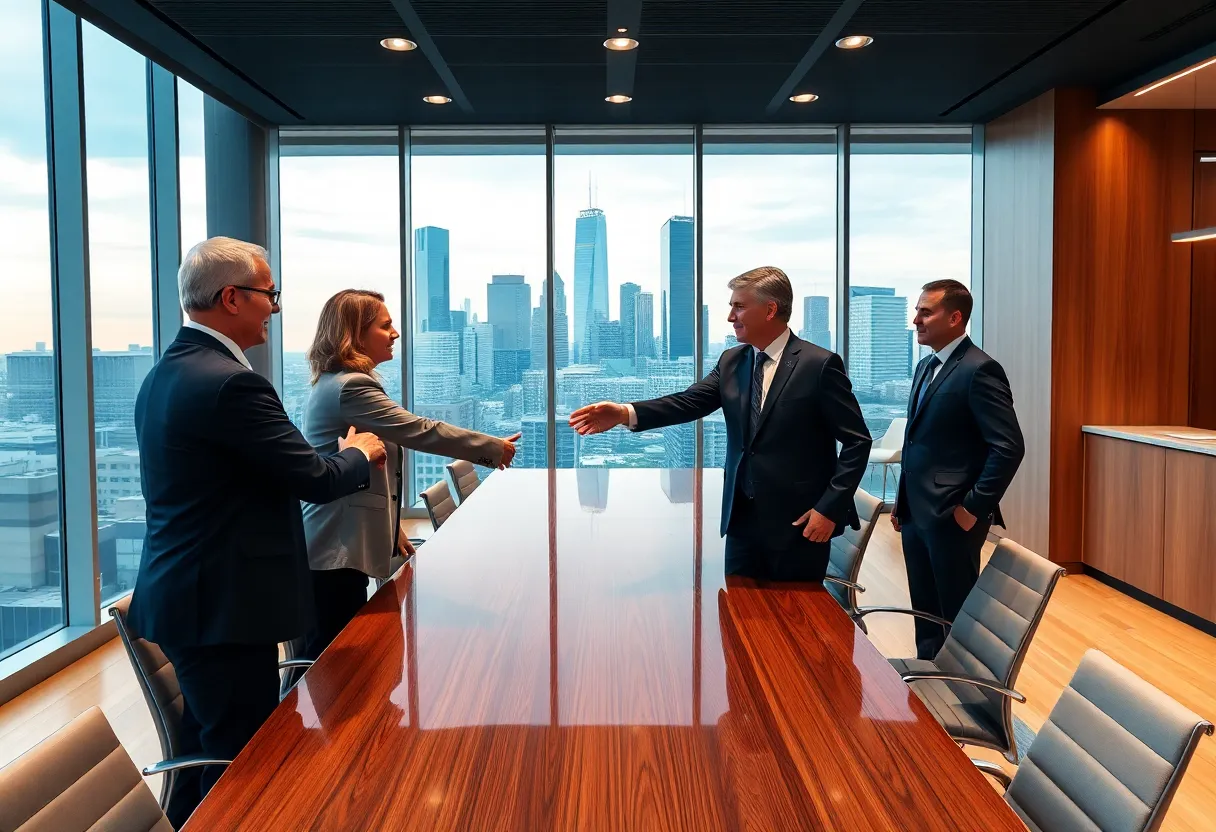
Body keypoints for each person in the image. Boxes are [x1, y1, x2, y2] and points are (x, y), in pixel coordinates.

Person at [126, 237, 386, 827]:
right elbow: (314, 477)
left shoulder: (167, 372)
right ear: (231, 298)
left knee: (208, 745)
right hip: (221, 606)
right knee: (245, 763)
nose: (274, 306)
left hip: (191, 596)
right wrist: (360, 451)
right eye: (269, 294)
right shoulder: (230, 383)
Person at [570, 266, 871, 582]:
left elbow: (857, 441)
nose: (730, 316)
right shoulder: (733, 360)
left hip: (799, 522)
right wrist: (623, 412)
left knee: (795, 620)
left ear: (770, 310)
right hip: (741, 518)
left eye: (739, 306)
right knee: (736, 614)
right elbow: (689, 402)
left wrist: (828, 508)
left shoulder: (819, 364)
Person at [299, 289, 519, 663]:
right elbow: (419, 430)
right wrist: (493, 448)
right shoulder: (351, 387)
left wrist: (391, 527)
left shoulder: (336, 382)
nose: (395, 333)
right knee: (329, 668)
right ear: (355, 334)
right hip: (333, 548)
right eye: (385, 326)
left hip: (337, 543)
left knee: (338, 660)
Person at [892, 279, 1024, 659]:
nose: (915, 320)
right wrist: (903, 505)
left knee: (957, 615)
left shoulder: (980, 369)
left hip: (953, 517)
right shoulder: (924, 367)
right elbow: (918, 444)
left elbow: (1009, 446)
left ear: (955, 317)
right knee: (925, 613)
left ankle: (965, 693)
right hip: (917, 515)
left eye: (925, 312)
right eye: (917, 310)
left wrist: (972, 510)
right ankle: (928, 690)